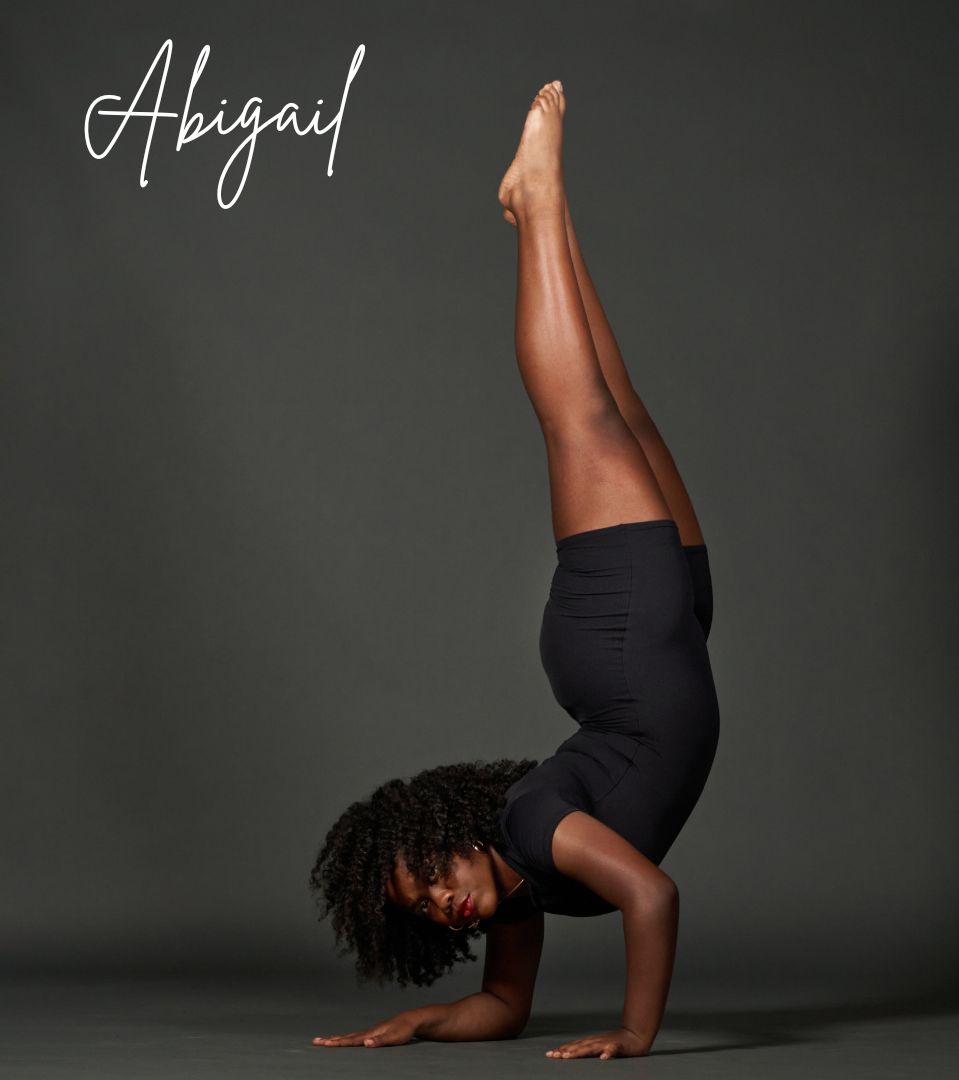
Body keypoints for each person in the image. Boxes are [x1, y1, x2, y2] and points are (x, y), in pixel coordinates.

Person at [310, 80, 719, 1060]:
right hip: (665, 635)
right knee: (619, 404)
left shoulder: (532, 827)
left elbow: (651, 894)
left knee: (576, 417)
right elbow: (506, 1008)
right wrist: (424, 1021)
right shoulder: (520, 884)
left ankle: (537, 199)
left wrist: (636, 1032)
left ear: (448, 834)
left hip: (623, 645)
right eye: (429, 910)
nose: (444, 903)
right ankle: (550, 210)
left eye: (430, 877)